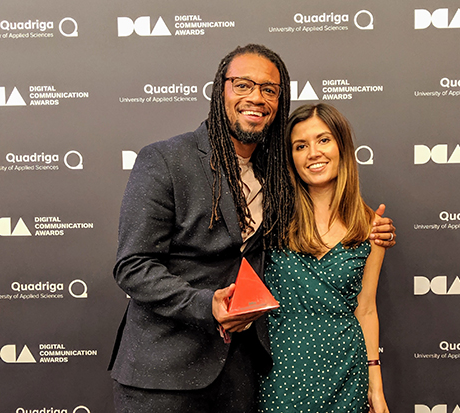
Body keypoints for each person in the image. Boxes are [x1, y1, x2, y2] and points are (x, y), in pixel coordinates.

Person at [109, 44, 396, 413]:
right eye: (242, 85)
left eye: (269, 90)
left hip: (244, 378)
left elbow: (328, 209)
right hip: (164, 374)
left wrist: (371, 227)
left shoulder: (275, 173)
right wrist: (205, 304)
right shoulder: (164, 159)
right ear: (220, 89)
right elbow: (133, 266)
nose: (256, 98)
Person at [258, 103, 390, 413]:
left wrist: (377, 388)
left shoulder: (371, 226)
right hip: (281, 372)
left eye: (324, 140)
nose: (313, 153)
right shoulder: (271, 218)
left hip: (346, 371)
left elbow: (367, 309)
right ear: (290, 158)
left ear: (342, 146)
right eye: (300, 146)